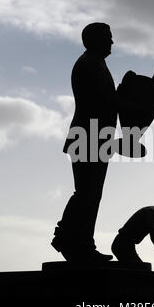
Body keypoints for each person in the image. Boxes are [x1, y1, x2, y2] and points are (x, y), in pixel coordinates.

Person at [51, 23, 117, 263]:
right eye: (108, 38)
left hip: (95, 138)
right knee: (87, 193)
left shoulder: (96, 64)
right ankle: (73, 241)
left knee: (90, 193)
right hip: (88, 137)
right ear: (96, 40)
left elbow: (105, 102)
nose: (112, 42)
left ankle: (75, 240)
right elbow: (99, 104)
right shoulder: (89, 65)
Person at [111, 194, 154, 267]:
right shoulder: (150, 212)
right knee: (141, 269)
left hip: (127, 245)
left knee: (141, 269)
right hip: (122, 245)